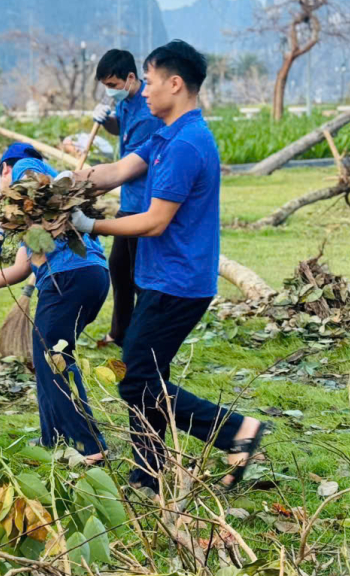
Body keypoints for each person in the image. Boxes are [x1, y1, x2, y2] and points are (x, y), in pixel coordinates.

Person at [69, 41, 266, 492]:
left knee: (136, 377)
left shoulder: (187, 145)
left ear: (175, 84)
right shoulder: (166, 134)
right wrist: (72, 181)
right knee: (148, 375)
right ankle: (149, 472)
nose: (146, 91)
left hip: (178, 282)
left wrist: (92, 224)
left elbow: (156, 222)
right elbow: (118, 171)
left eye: (152, 82)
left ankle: (236, 431)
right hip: (161, 276)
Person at [0, 144, 110, 464]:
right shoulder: (40, 212)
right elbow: (21, 269)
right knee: (47, 358)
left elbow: (27, 185)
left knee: (54, 359)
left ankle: (90, 446)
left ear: (6, 169)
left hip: (67, 279)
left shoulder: (28, 168)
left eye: (1, 182)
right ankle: (53, 437)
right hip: (89, 278)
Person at [91, 49, 164, 348]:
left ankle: (146, 338)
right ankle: (120, 333)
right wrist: (105, 119)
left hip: (145, 203)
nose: (109, 91)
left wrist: (93, 184)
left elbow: (131, 164)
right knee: (119, 268)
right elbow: (119, 127)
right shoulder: (128, 100)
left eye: (112, 84)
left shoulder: (149, 112)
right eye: (105, 86)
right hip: (129, 201)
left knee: (139, 277)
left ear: (131, 78)